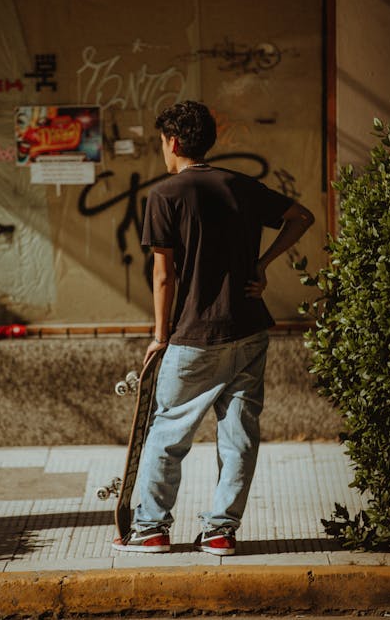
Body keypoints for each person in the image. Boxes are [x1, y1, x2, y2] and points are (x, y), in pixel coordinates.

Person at [113, 100, 314, 556]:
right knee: (240, 433)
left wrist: (160, 338)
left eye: (163, 142)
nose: (163, 150)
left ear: (175, 142)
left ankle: (151, 529)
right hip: (249, 331)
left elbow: (163, 276)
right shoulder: (242, 186)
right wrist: (262, 266)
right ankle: (221, 531)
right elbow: (302, 216)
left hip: (193, 336)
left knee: (167, 433)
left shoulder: (165, 195)